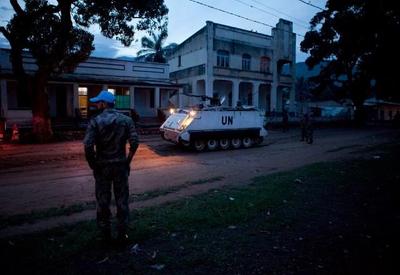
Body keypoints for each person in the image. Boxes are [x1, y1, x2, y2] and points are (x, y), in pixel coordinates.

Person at [83, 90, 139, 245]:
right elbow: (134, 142)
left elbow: (88, 146)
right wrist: (127, 161)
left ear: (103, 104)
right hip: (120, 166)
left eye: (98, 102)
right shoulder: (126, 120)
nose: (96, 105)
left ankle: (105, 235)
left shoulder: (95, 121)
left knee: (103, 202)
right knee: (122, 201)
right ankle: (122, 234)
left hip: (102, 167)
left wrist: (94, 165)